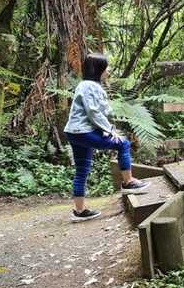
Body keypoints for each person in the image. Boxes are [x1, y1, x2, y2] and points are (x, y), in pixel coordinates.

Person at [64, 53, 150, 222]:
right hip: (82, 132)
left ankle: (79, 211)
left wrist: (106, 127)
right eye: (106, 67)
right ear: (98, 69)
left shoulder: (88, 85)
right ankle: (128, 182)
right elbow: (93, 112)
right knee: (123, 144)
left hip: (76, 132)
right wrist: (110, 130)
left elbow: (97, 111)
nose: (108, 70)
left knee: (82, 170)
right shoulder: (90, 86)